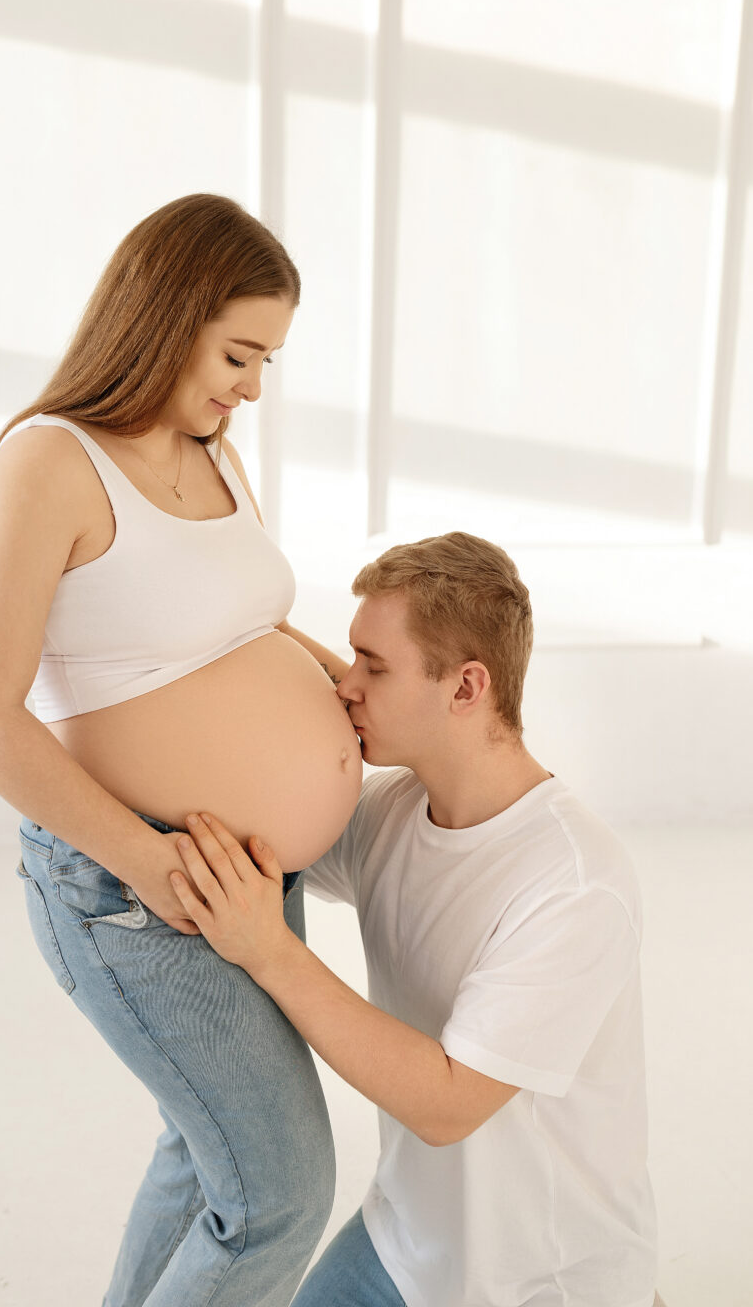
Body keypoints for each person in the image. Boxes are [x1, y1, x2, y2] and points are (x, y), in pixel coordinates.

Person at [0, 193, 363, 1307]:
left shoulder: (213, 452)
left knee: (206, 1154)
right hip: (140, 888)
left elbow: (249, 625)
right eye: (238, 354)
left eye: (267, 360)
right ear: (167, 315)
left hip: (248, 879)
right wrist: (152, 861)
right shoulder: (51, 461)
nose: (252, 388)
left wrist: (366, 698)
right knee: (277, 1194)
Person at [170, 531, 660, 1307]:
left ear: (467, 688)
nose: (345, 685)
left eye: (374, 665)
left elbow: (446, 1104)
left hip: (544, 1285)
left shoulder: (574, 884)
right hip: (401, 1246)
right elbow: (275, 811)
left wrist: (269, 951)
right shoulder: (391, 812)